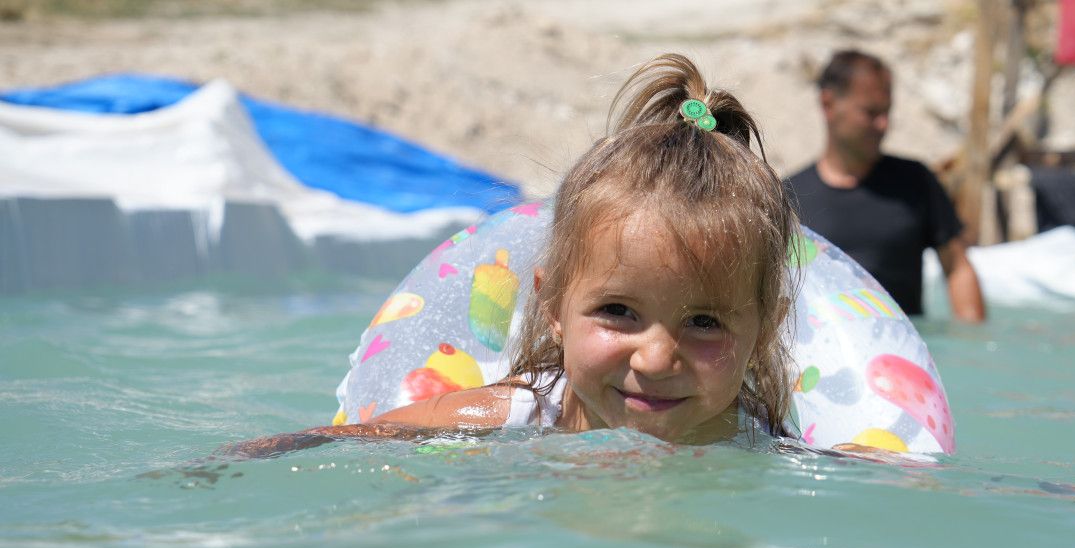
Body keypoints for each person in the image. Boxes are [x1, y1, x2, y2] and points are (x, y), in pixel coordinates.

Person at [229, 53, 798, 458]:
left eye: (703, 321)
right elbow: (355, 444)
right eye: (618, 311)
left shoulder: (758, 449)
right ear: (552, 304)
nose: (654, 359)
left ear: (764, 332)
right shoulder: (515, 419)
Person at [783, 49, 985, 322]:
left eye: (887, 112)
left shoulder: (915, 182)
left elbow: (958, 268)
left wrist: (972, 342)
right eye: (871, 112)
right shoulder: (789, 196)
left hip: (904, 349)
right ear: (828, 104)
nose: (883, 124)